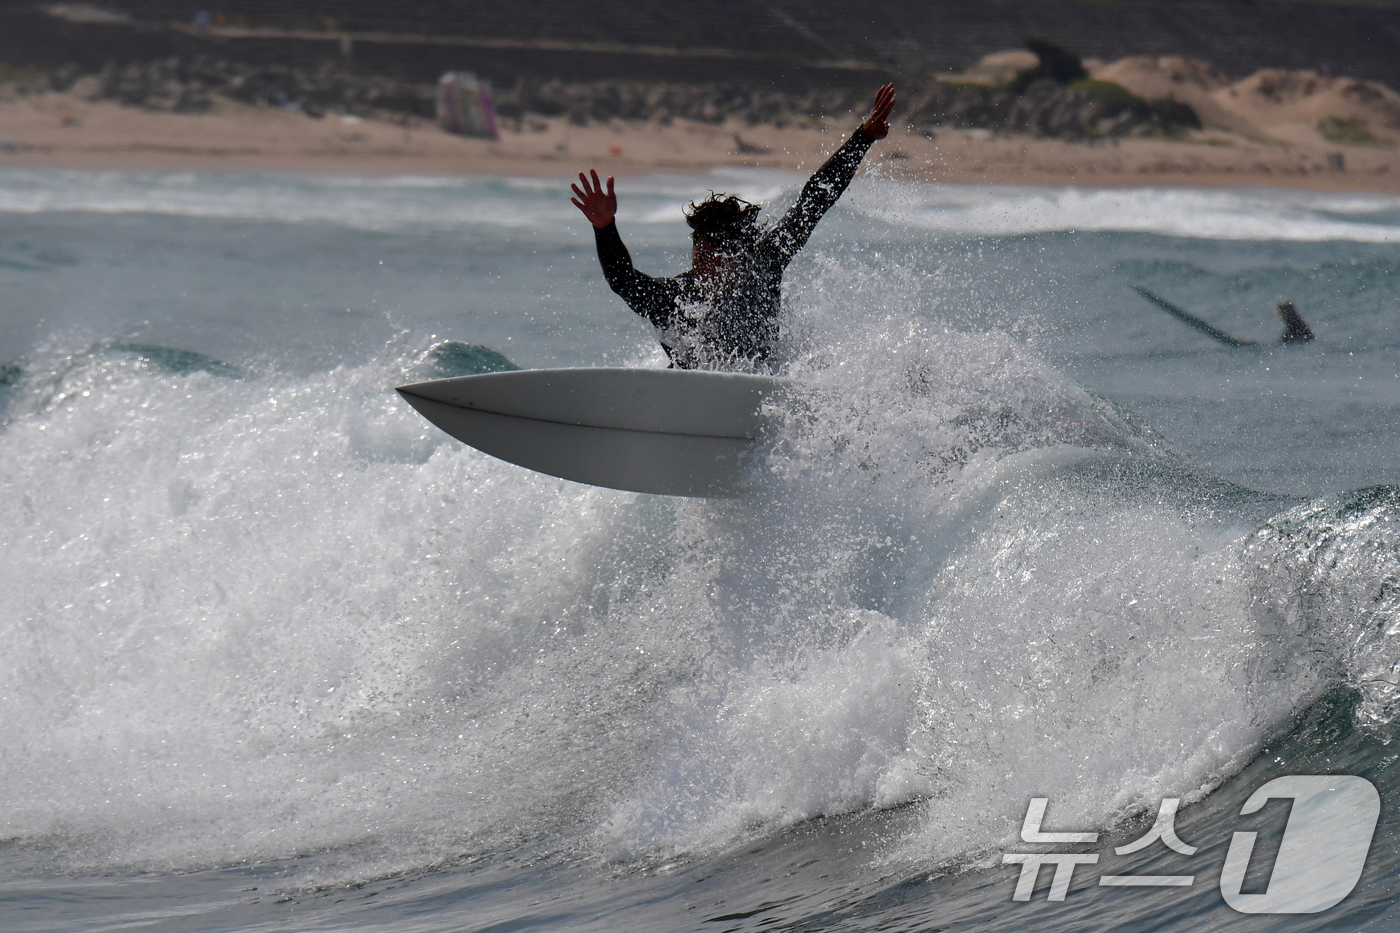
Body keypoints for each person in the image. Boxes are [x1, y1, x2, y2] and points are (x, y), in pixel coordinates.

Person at [570, 84, 897, 370]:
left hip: (755, 389)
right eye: (700, 249)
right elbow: (622, 280)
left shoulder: (764, 266)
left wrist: (862, 138)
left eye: (717, 252)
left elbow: (814, 201)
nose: (705, 261)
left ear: (740, 252)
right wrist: (605, 227)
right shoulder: (675, 298)